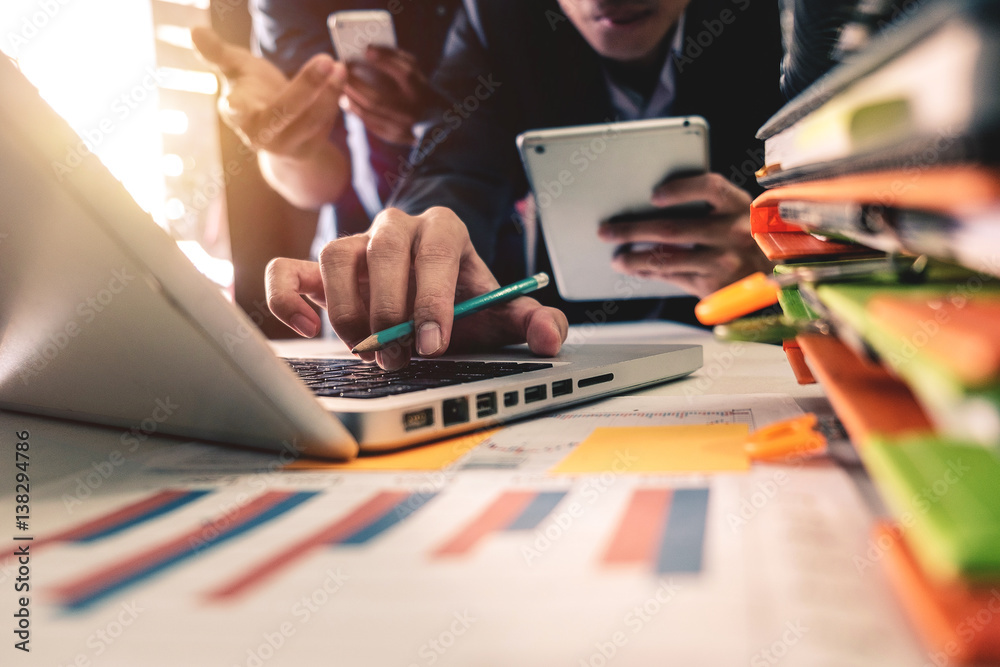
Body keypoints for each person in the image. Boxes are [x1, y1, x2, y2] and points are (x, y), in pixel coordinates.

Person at [266, 0, 786, 370]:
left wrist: (788, 271)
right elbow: (453, 162)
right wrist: (425, 233)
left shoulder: (791, 22)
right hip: (572, 343)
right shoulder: (498, 15)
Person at [192, 1, 461, 237]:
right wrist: (285, 147)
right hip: (361, 240)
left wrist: (433, 127)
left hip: (490, 234)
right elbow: (325, 182)